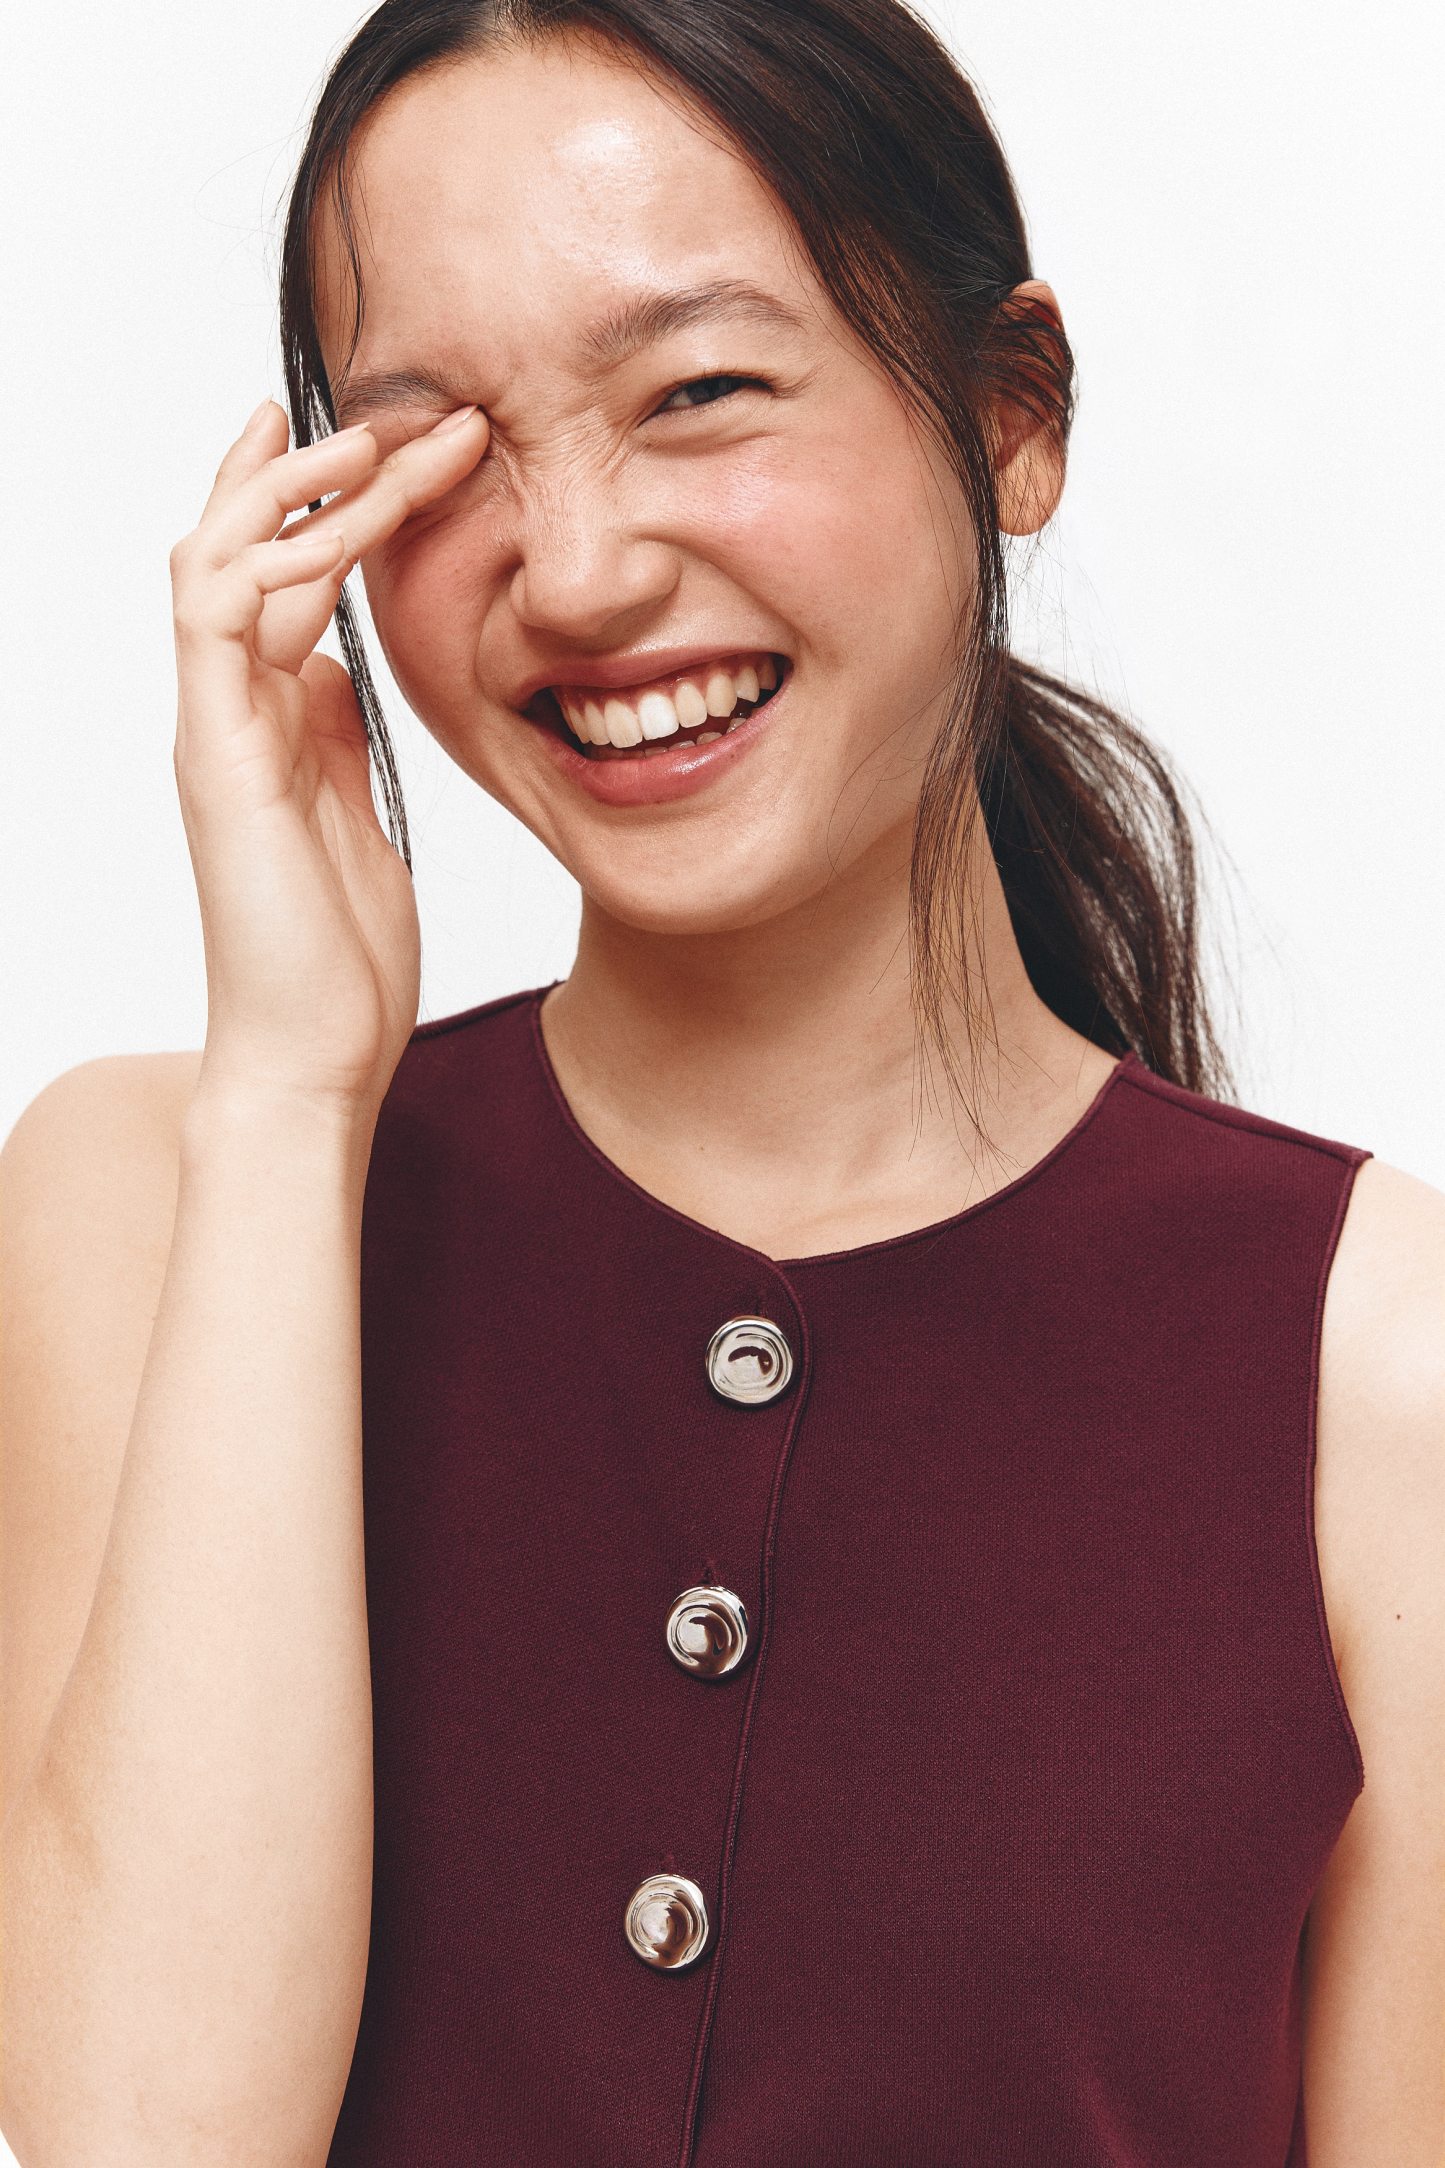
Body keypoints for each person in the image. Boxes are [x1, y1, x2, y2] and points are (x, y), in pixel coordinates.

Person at [2, 1, 1441, 2161]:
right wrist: (291, 1098)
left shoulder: (1379, 1369)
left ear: (1011, 413)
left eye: (696, 394)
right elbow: (143, 2139)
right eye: (436, 449)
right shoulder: (162, 1199)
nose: (577, 573)